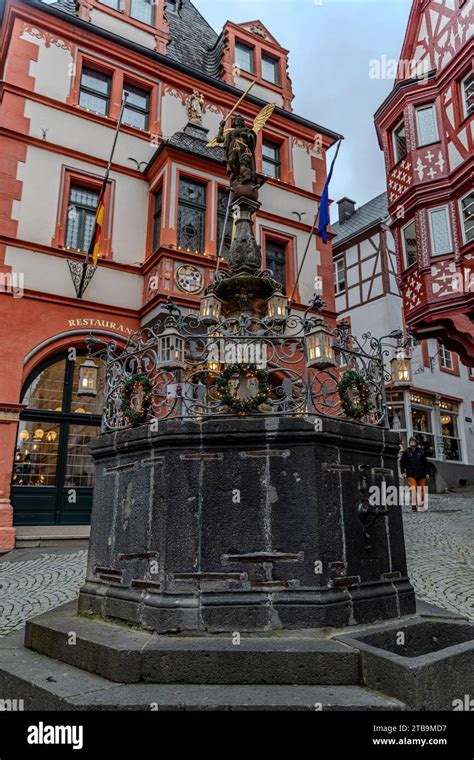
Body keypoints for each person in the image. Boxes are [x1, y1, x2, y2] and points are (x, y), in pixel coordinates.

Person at [400, 436, 429, 512]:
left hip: (421, 473)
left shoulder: (421, 452)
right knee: (413, 488)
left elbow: (425, 463)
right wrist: (403, 472)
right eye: (411, 441)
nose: (412, 442)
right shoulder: (406, 452)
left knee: (422, 489)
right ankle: (413, 505)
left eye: (413, 441)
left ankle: (421, 505)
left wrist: (427, 472)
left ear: (416, 442)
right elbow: (402, 463)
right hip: (411, 473)